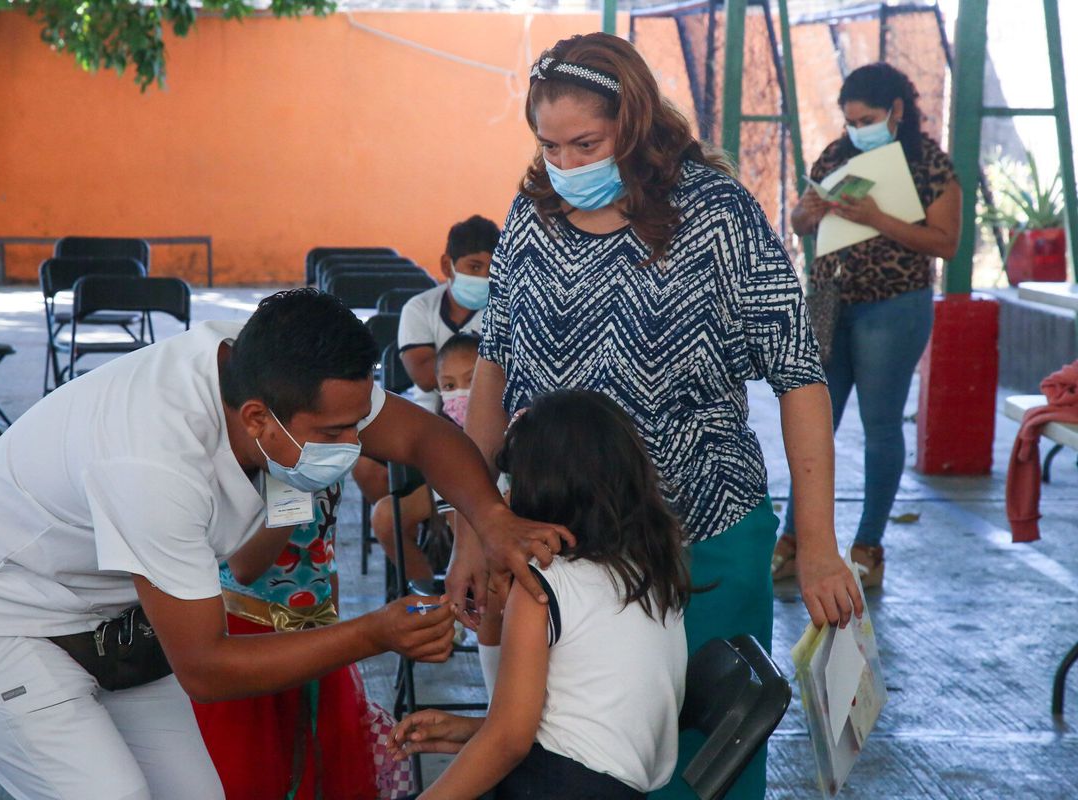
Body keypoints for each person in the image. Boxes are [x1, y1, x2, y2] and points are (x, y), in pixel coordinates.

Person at [0, 288, 571, 799]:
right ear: (257, 419)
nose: (352, 445)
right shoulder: (153, 460)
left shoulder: (265, 372)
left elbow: (423, 436)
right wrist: (373, 635)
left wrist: (489, 521)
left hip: (106, 623)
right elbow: (207, 668)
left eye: (353, 425)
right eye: (333, 432)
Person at [445, 32, 863, 800]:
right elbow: (493, 372)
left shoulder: (717, 215)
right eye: (550, 145)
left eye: (586, 144)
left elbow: (800, 379)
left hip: (702, 539)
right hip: (562, 548)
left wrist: (819, 547)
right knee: (571, 754)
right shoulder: (532, 217)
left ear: (633, 123)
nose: (566, 165)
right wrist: (475, 527)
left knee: (704, 762)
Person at [390, 390, 691, 799]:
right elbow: (584, 724)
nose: (503, 497)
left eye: (510, 481)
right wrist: (471, 731)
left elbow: (509, 741)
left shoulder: (545, 583)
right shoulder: (646, 570)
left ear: (543, 488)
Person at [773, 62, 960, 590]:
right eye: (851, 120)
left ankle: (867, 547)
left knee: (880, 427)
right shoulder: (837, 154)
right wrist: (805, 213)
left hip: (894, 306)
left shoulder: (931, 166)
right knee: (813, 423)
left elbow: (945, 243)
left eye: (867, 118)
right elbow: (800, 223)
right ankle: (794, 541)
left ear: (896, 111)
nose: (857, 128)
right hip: (831, 301)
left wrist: (878, 219)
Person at [192, 482, 386, 799]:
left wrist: (333, 633)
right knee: (252, 775)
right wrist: (295, 487)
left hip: (315, 633)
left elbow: (324, 551)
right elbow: (245, 567)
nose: (350, 441)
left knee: (317, 770)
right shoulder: (267, 464)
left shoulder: (325, 452)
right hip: (250, 639)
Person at [351, 215, 498, 509]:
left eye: (491, 269)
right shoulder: (420, 308)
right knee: (365, 467)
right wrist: (481, 362)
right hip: (425, 424)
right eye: (474, 267)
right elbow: (424, 376)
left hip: (490, 423)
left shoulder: (502, 309)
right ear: (448, 266)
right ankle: (419, 535)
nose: (484, 277)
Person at [372, 332, 481, 586]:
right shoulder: (444, 436)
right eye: (450, 386)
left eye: (472, 380)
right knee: (386, 516)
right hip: (462, 510)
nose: (461, 394)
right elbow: (460, 524)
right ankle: (431, 596)